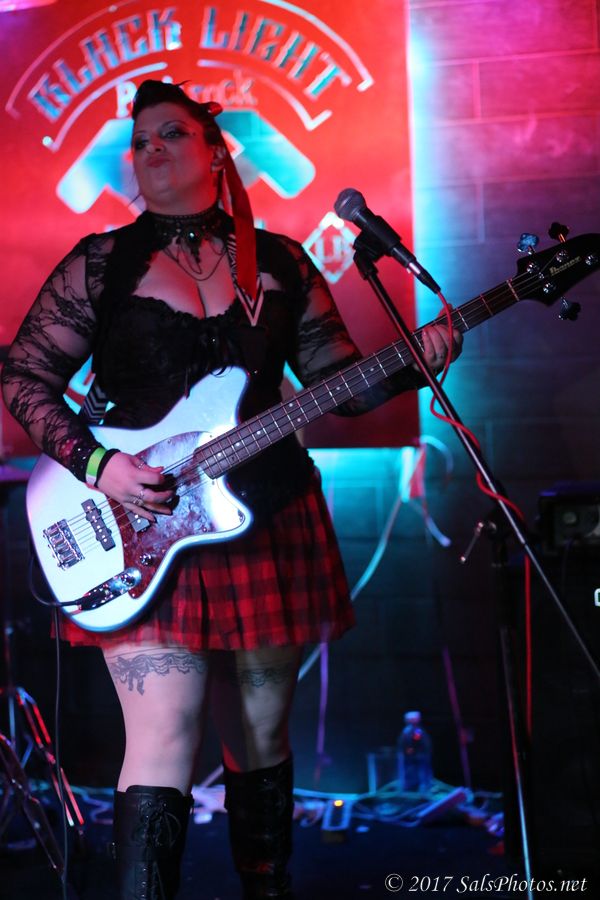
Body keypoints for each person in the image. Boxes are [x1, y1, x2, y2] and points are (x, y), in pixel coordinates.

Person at [1, 80, 462, 900]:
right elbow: (23, 376)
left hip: (267, 514)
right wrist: (100, 465)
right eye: (140, 140)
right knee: (163, 739)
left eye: (171, 133)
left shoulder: (281, 260)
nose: (151, 148)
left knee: (260, 734)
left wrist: (415, 361)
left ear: (216, 151)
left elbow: (339, 384)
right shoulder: (103, 263)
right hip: (140, 522)